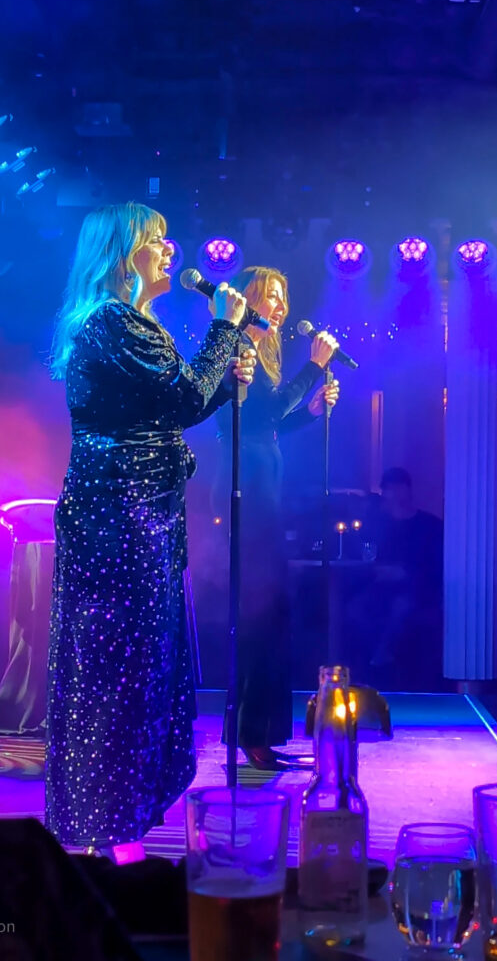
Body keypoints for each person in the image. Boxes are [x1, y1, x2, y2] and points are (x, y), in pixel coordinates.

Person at [46, 202, 254, 855]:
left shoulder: (130, 322)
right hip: (121, 518)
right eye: (155, 240)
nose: (170, 249)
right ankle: (110, 834)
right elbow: (183, 400)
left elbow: (175, 403)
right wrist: (223, 331)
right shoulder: (112, 321)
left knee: (137, 671)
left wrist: (227, 384)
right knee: (121, 673)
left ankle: (118, 831)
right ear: (120, 253)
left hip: (138, 513)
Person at [213, 266, 339, 771]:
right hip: (244, 491)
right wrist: (312, 371)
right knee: (257, 615)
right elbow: (257, 414)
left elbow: (272, 423)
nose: (281, 305)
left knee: (273, 614)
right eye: (270, 295)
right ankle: (248, 733)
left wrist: (311, 412)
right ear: (247, 299)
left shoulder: (265, 347)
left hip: (266, 487)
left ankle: (262, 732)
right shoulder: (238, 342)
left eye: (284, 296)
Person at [348, 467, 443, 680]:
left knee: (402, 606)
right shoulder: (377, 525)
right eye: (387, 489)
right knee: (355, 609)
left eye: (395, 488)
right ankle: (368, 662)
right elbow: (364, 553)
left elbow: (435, 566)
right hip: (380, 586)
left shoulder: (430, 526)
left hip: (417, 588)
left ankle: (382, 656)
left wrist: (405, 573)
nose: (390, 494)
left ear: (406, 490)